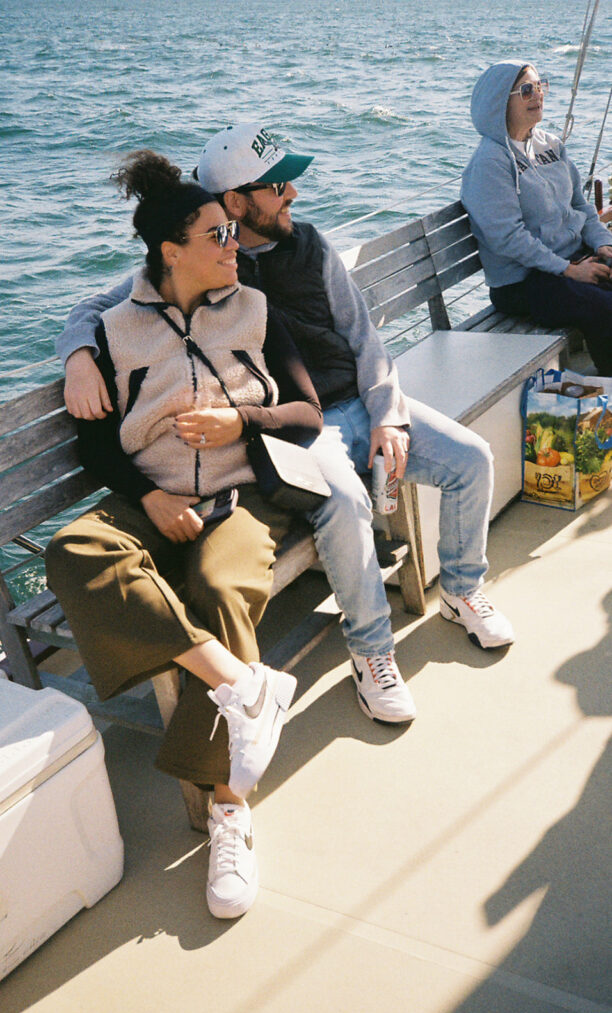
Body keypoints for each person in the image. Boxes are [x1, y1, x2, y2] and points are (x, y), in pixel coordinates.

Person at [57, 125, 515, 731]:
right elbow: (105, 307)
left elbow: (364, 340)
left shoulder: (311, 246)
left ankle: (460, 590)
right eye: (277, 186)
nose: (293, 195)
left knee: (472, 457)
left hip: (357, 405)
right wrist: (77, 356)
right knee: (345, 500)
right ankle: (372, 653)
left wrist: (388, 417)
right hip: (297, 428)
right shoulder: (211, 265)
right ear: (236, 202)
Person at [45, 150, 323, 920]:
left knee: (217, 586)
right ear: (172, 250)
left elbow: (307, 415)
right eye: (217, 235)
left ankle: (229, 807)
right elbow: (96, 445)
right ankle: (243, 686)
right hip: (151, 499)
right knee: (73, 551)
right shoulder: (114, 327)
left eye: (232, 232)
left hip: (238, 499)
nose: (235, 245)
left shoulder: (255, 308)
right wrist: (148, 496)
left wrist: (242, 419)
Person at [461, 60, 612, 375]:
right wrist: (568, 271)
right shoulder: (490, 162)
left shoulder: (550, 144)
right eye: (526, 90)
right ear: (500, 102)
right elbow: (508, 238)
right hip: (523, 283)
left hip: (571, 260)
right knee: (603, 309)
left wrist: (602, 244)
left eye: (540, 85)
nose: (537, 95)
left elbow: (579, 205)